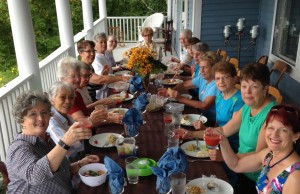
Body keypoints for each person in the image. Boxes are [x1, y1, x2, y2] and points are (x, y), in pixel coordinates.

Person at [182, 62, 277, 193]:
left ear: (265, 88)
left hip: (256, 181)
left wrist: (226, 157)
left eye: (254, 86)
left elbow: (259, 158)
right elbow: (223, 130)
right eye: (244, 86)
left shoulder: (272, 116)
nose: (247, 92)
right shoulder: (248, 107)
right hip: (237, 167)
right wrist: (190, 134)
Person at [6, 91, 99, 193]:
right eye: (32, 114)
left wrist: (80, 164)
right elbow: (35, 176)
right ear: (21, 121)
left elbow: (60, 173)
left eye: (44, 112)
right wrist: (65, 142)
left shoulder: (46, 139)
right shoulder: (19, 148)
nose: (40, 118)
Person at [219, 104, 300, 194]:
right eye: (271, 128)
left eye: (283, 130)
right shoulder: (269, 154)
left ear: (295, 136)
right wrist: (223, 142)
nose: (274, 134)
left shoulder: (295, 176)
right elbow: (236, 165)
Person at [159, 51, 220, 126]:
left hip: (209, 122)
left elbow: (204, 105)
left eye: (205, 67)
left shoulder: (217, 84)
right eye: (201, 67)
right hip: (199, 115)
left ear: (214, 68)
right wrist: (170, 92)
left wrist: (180, 98)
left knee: (174, 124)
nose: (201, 70)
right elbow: (184, 85)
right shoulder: (203, 78)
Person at [57, 56, 107, 126]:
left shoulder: (77, 94)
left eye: (78, 75)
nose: (78, 79)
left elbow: (87, 114)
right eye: (73, 76)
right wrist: (110, 118)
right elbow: (83, 123)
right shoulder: (66, 100)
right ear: (62, 78)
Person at [91, 33, 132, 99]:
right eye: (101, 42)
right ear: (95, 44)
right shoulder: (96, 60)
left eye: (105, 42)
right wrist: (121, 78)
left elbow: (109, 73)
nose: (104, 44)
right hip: (103, 95)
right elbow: (102, 79)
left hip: (111, 88)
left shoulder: (103, 55)